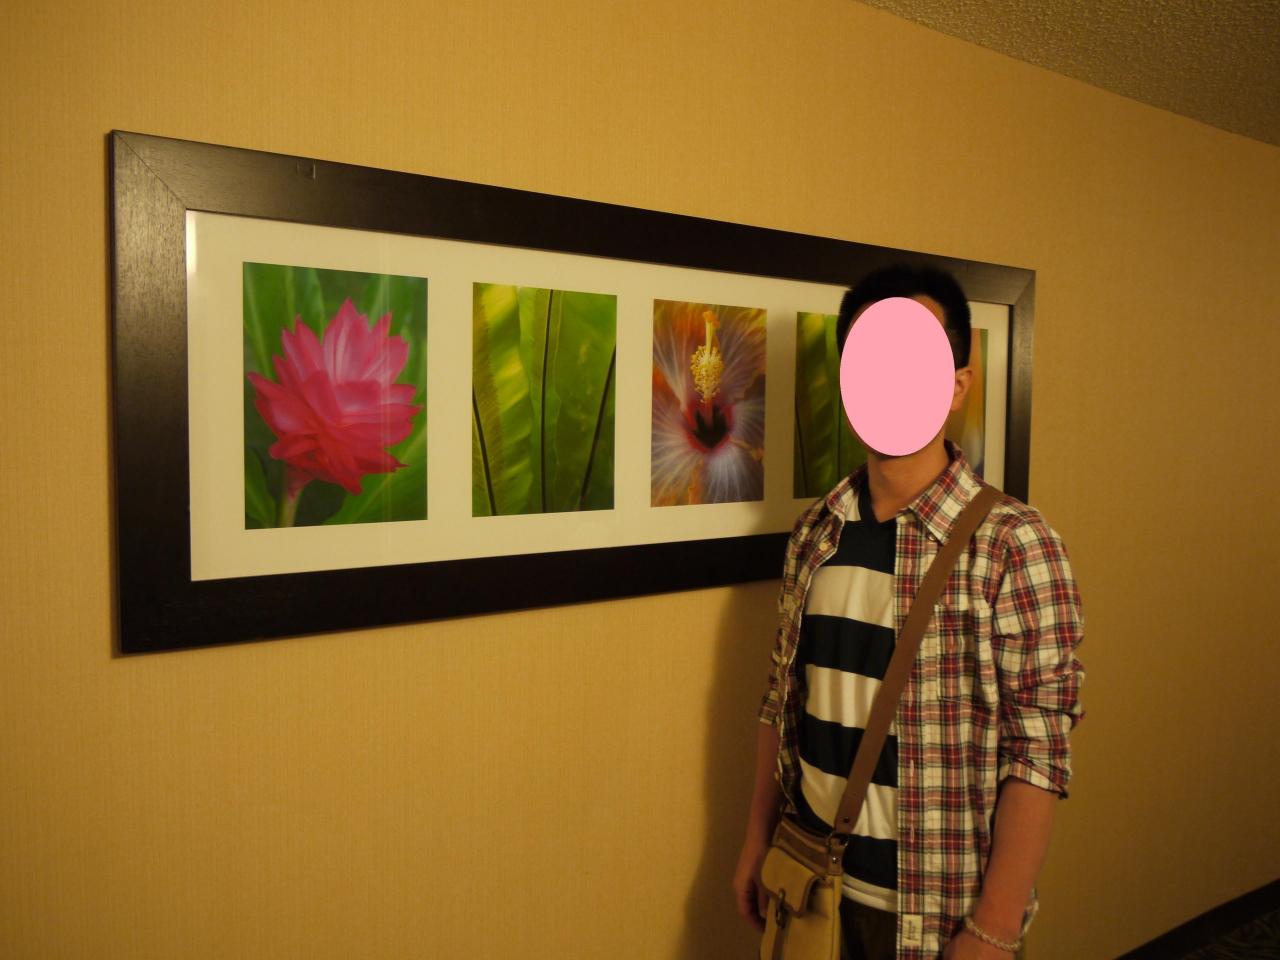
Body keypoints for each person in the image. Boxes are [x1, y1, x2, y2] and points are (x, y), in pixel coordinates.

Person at [732, 264, 1085, 960]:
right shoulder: (817, 533)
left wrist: (993, 928)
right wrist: (754, 841)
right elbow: (781, 701)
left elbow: (1039, 753)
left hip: (934, 914)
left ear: (957, 384)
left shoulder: (1015, 545)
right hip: (810, 886)